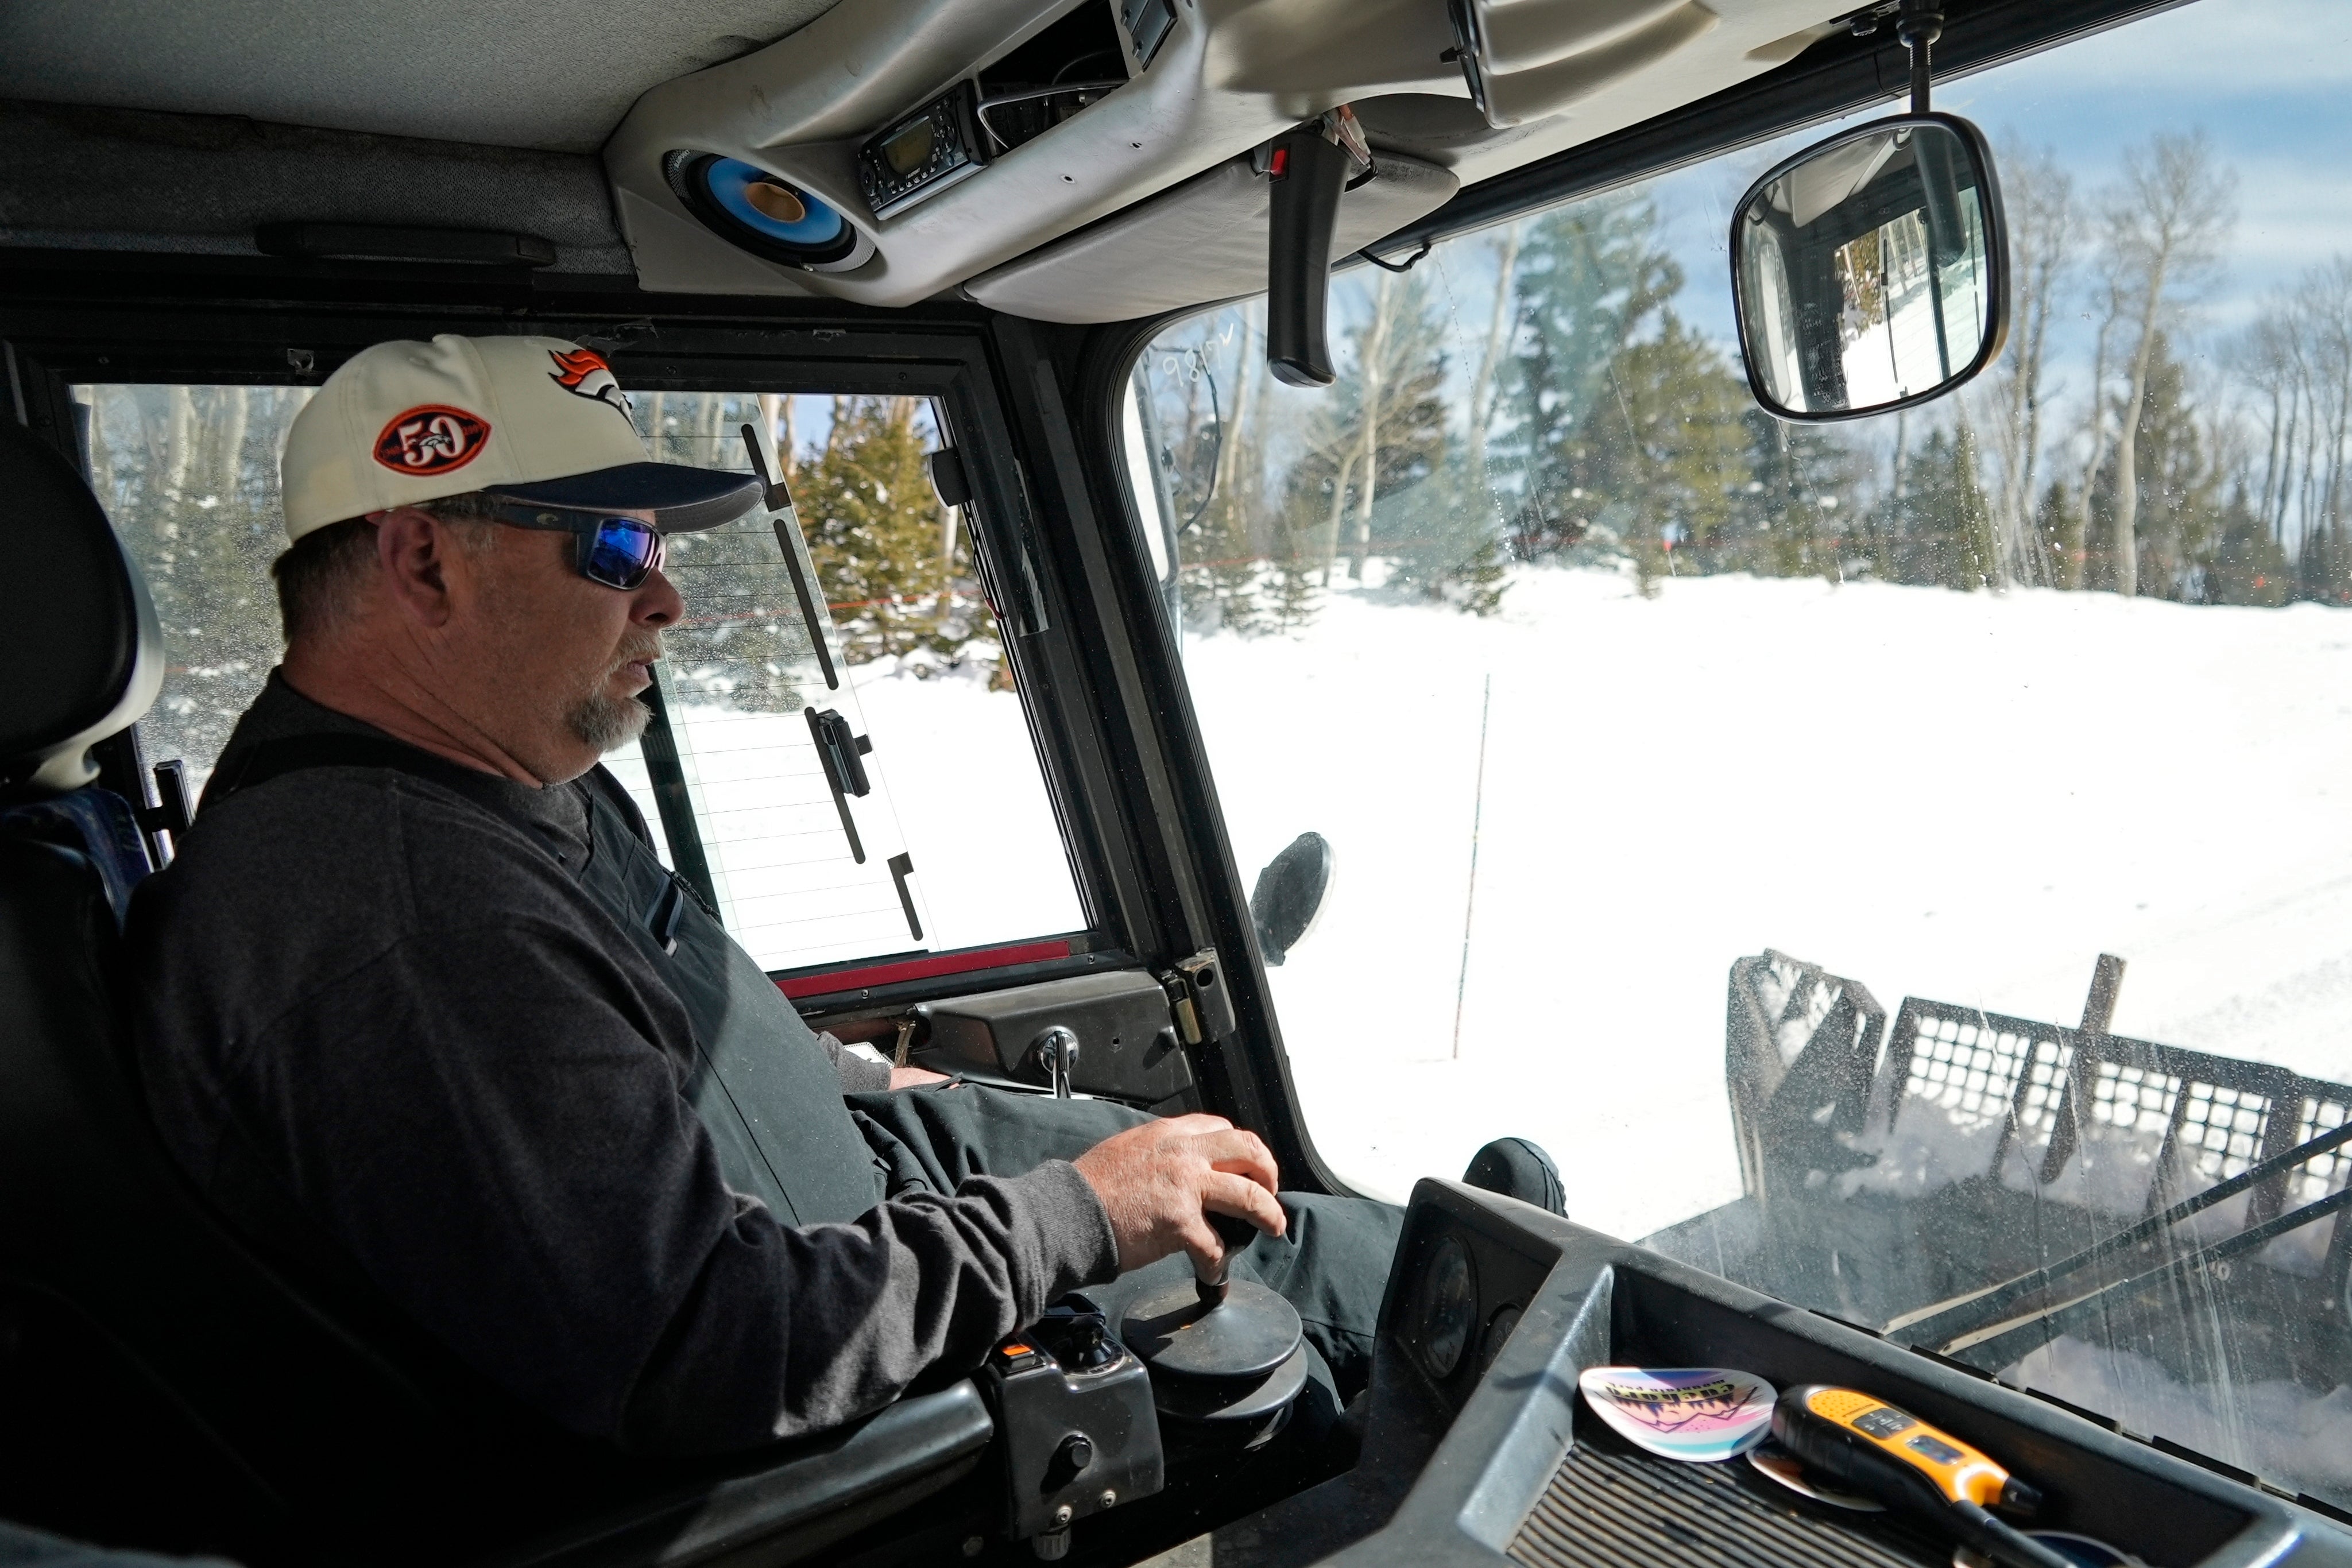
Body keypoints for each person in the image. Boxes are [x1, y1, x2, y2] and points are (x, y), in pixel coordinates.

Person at [127, 335, 1563, 1457]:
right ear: (424, 558)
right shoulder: (395, 919)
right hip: (865, 1348)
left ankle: (1470, 1283)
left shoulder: (492, 778)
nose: (665, 600)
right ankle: (1499, 1320)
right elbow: (711, 1344)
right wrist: (1069, 1218)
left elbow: (661, 1014)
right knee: (1324, 1307)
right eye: (614, 548)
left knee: (1243, 1191)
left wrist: (859, 1070)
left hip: (875, 1192)